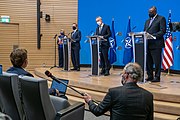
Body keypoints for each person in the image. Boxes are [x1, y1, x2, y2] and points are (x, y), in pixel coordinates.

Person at [83, 63, 153, 120]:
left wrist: (89, 101)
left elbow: (97, 111)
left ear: (126, 75)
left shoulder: (114, 92)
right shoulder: (148, 96)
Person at [144, 6, 166, 82]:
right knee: (148, 62)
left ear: (155, 11)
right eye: (149, 12)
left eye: (151, 12)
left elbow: (162, 31)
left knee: (157, 62)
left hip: (156, 44)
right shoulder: (147, 21)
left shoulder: (161, 18)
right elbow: (145, 31)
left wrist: (153, 36)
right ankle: (150, 76)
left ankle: (157, 77)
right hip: (147, 44)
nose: (149, 13)